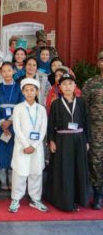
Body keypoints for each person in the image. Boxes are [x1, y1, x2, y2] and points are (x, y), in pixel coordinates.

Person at [45, 73, 91, 212]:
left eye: (70, 84)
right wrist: (51, 140)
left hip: (78, 139)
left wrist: (87, 140)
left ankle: (77, 199)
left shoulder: (82, 102)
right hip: (62, 141)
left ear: (75, 86)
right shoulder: (56, 104)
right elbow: (50, 124)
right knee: (64, 170)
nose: (67, 87)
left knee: (78, 169)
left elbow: (87, 122)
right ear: (59, 87)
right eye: (64, 84)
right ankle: (63, 201)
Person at [8, 78, 48, 213]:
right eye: (27, 90)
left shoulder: (41, 109)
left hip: (36, 147)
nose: (29, 93)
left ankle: (36, 199)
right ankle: (15, 198)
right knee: (19, 172)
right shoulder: (18, 108)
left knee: (36, 172)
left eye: (32, 90)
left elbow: (43, 129)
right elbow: (17, 128)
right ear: (23, 92)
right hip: (21, 146)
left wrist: (34, 145)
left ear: (37, 92)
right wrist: (26, 145)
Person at [0, 62, 24, 190]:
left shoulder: (19, 88)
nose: (6, 73)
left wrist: (10, 121)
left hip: (14, 124)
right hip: (0, 125)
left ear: (13, 72)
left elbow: (21, 105)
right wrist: (1, 122)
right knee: (1, 150)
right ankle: (2, 178)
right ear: (0, 72)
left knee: (13, 150)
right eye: (4, 71)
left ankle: (12, 177)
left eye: (9, 70)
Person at [82, 50, 103, 210]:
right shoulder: (91, 83)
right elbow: (83, 107)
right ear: (98, 63)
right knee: (95, 162)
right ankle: (97, 194)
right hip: (96, 130)